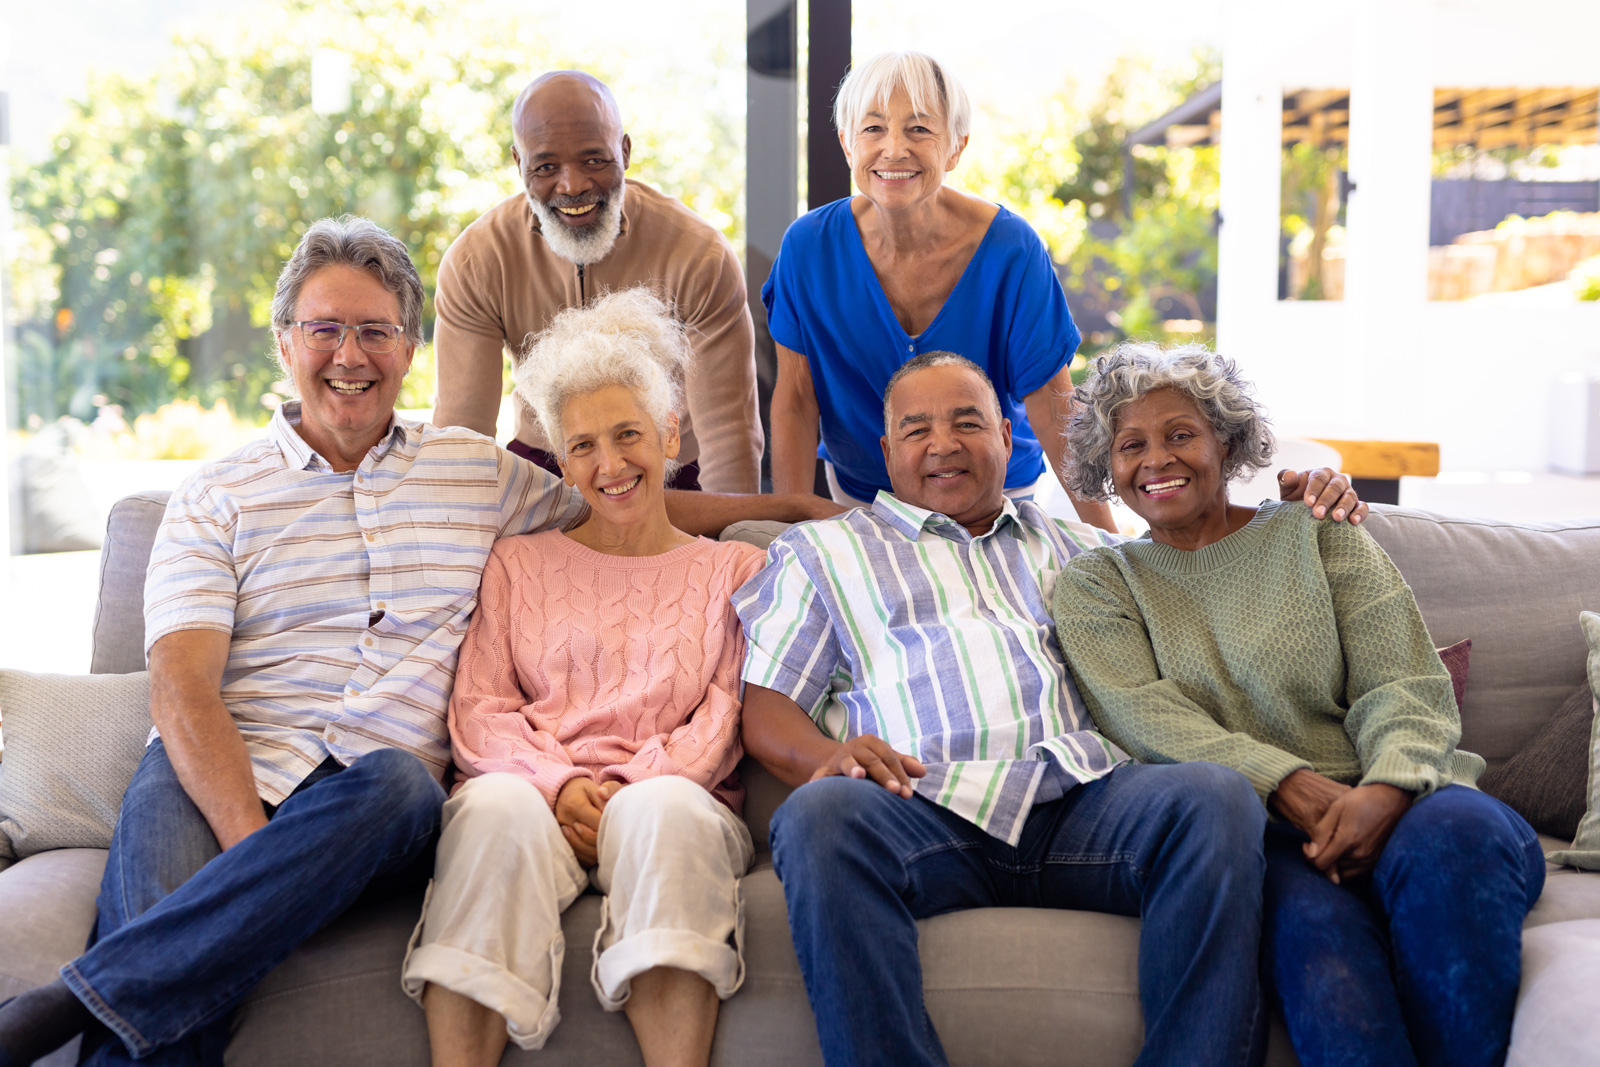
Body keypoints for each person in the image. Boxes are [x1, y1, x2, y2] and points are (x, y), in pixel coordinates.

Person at [0, 217, 832, 1067]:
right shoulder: (215, 496)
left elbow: (620, 500)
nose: (349, 353)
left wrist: (799, 511)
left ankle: (57, 1006)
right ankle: (87, 1012)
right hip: (217, 767)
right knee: (182, 982)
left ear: (409, 348)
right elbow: (181, 690)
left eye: (375, 330)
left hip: (376, 795)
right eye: (324, 329)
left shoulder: (475, 473)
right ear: (285, 343)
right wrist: (262, 864)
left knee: (400, 782)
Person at [735, 349, 1369, 1067]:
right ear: (886, 451)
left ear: (1009, 436)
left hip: (1085, 803)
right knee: (816, 815)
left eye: (967, 421)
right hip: (919, 803)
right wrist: (828, 757)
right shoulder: (821, 552)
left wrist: (1303, 504)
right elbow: (767, 708)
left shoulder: (1090, 548)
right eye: (916, 430)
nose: (943, 443)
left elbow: (1212, 568)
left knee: (1215, 795)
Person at [1050, 342, 1545, 1067]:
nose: (1158, 458)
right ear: (1108, 468)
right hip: (1272, 839)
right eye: (1132, 445)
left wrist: (1384, 789)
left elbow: (1402, 679)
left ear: (1225, 438)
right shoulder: (1100, 583)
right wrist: (1294, 789)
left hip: (1415, 798)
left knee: (1455, 843)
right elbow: (1145, 714)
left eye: (1180, 433)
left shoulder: (1315, 531)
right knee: (1322, 962)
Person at [403, 288, 766, 1067]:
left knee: (664, 809)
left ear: (671, 433)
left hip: (676, 797)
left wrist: (629, 793)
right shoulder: (518, 561)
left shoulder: (735, 570)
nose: (610, 465)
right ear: (561, 459)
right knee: (490, 806)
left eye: (629, 433)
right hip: (535, 796)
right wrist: (561, 784)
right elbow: (480, 710)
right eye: (584, 445)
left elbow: (724, 713)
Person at [764, 51, 1114, 528]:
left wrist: (1106, 541)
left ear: (956, 147)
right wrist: (789, 529)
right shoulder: (806, 248)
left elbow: (1054, 409)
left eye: (919, 129)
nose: (893, 149)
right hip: (865, 496)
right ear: (847, 144)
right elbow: (797, 400)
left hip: (996, 494)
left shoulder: (1012, 249)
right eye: (873, 129)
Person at [432, 70, 763, 494]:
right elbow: (464, 438)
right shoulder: (477, 260)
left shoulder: (700, 254)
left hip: (674, 471)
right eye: (546, 166)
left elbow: (728, 435)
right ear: (519, 163)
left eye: (594, 160)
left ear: (625, 152)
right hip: (546, 470)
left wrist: (731, 545)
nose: (573, 185)